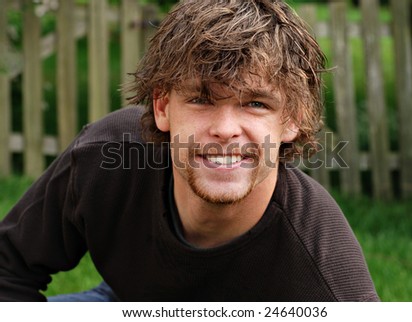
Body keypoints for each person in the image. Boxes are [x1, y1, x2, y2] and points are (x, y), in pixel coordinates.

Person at [0, 0, 379, 301]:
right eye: (201, 99)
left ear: (292, 119)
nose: (225, 130)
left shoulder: (325, 273)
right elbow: (8, 267)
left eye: (256, 104)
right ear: (163, 107)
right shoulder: (107, 153)